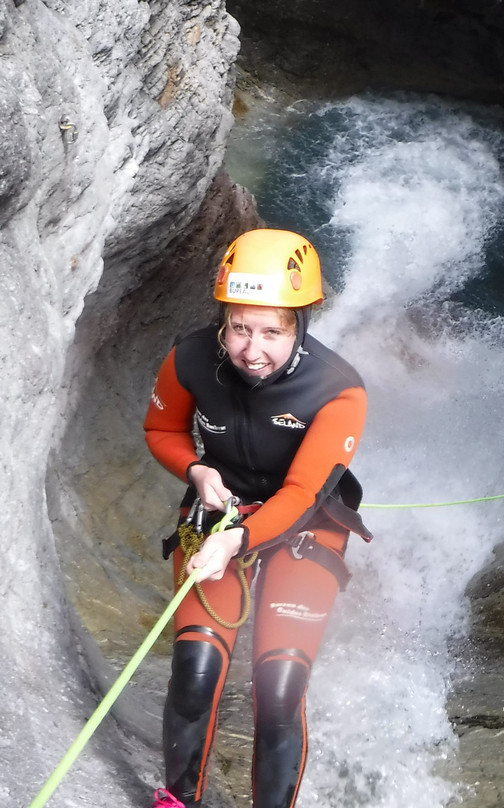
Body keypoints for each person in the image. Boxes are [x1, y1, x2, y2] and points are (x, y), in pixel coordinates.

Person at [143, 229, 370, 808]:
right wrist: (196, 471)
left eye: (273, 331)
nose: (252, 350)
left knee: (279, 686)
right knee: (195, 672)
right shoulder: (191, 358)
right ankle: (179, 801)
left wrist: (238, 540)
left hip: (308, 524)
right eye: (240, 327)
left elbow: (299, 495)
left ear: (302, 324)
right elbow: (162, 430)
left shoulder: (338, 390)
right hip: (219, 511)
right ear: (222, 319)